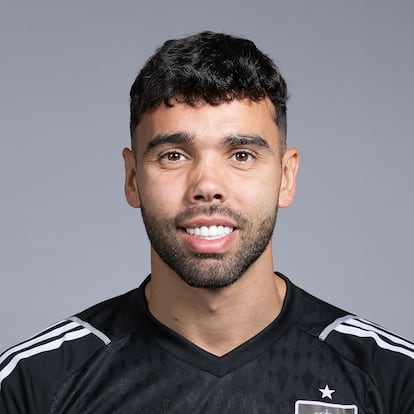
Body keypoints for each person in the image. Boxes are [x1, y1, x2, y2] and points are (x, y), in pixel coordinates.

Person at [0, 31, 413, 414]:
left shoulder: (392, 381)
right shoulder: (33, 385)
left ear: (286, 177)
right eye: (174, 155)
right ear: (132, 179)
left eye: (242, 155)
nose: (208, 187)